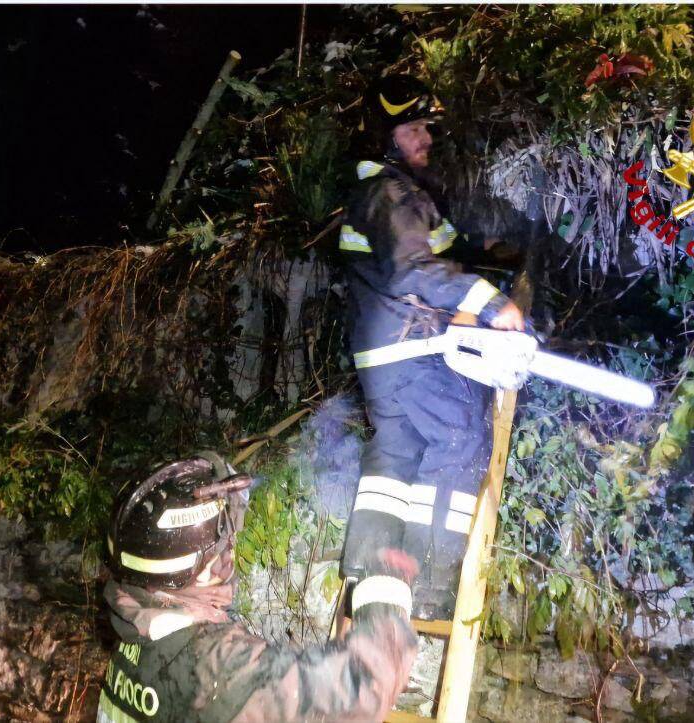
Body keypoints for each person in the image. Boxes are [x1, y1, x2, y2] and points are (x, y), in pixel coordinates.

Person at [338, 75, 525, 621]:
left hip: (383, 355)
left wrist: (482, 248)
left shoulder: (384, 193)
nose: (426, 138)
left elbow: (432, 250)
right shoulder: (391, 194)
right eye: (414, 128)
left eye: (426, 129)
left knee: (394, 455)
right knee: (460, 439)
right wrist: (494, 304)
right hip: (412, 345)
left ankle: (365, 571)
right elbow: (410, 269)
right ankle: (430, 580)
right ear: (385, 136)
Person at [97, 453, 419, 723]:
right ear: (195, 568)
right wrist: (385, 591)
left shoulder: (135, 636)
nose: (232, 554)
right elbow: (360, 688)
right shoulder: (214, 665)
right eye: (223, 550)